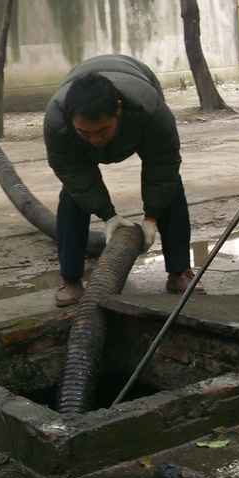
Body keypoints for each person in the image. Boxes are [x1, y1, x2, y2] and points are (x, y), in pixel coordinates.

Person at [43, 54, 203, 307]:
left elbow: (162, 165)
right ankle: (70, 278)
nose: (95, 140)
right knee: (73, 195)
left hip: (138, 83)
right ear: (72, 118)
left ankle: (179, 271)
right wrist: (108, 216)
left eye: (102, 130)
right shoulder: (57, 121)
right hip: (85, 105)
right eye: (85, 132)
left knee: (170, 184)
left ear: (118, 109)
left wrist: (151, 217)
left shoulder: (150, 109)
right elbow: (74, 173)